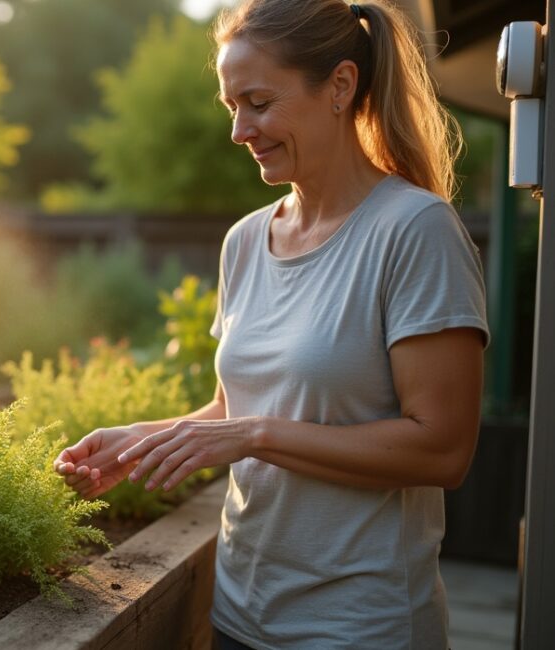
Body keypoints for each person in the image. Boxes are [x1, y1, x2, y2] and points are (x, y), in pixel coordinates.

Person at [53, 1, 489, 647]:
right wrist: (141, 441)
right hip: (238, 615)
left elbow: (443, 449)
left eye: (258, 102)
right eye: (232, 106)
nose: (239, 130)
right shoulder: (244, 241)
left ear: (340, 86)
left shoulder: (415, 231)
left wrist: (256, 435)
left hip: (358, 630)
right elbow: (234, 409)